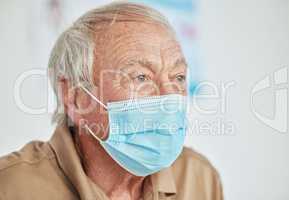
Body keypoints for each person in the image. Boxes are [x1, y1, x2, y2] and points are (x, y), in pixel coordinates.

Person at [0, 2, 223, 200]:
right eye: (141, 77)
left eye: (178, 77)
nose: (169, 97)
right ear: (76, 98)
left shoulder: (199, 178)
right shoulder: (10, 187)